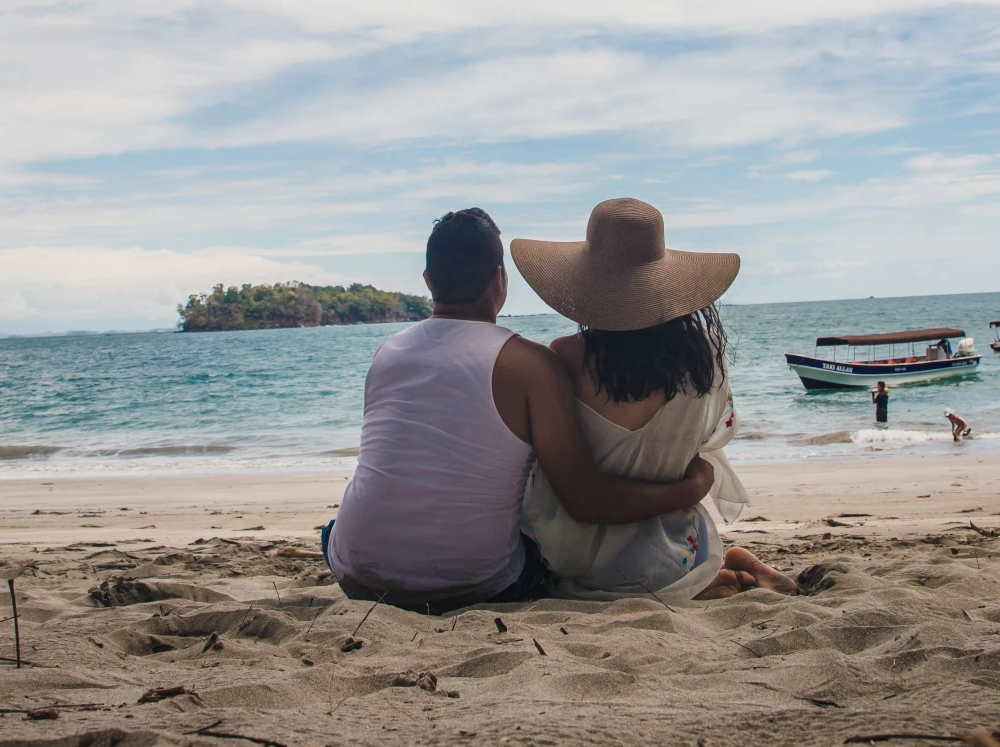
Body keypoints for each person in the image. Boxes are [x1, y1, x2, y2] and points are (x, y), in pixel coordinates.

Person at [323, 208, 715, 614]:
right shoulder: (531, 365)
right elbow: (587, 501)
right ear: (499, 279)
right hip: (477, 585)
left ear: (427, 281)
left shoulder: (384, 355)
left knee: (334, 531)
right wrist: (690, 489)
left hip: (357, 575)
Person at [511, 198, 794, 602]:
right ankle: (718, 569)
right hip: (677, 541)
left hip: (579, 555)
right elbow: (714, 438)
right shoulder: (706, 355)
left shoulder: (566, 357)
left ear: (588, 284)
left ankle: (720, 575)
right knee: (661, 564)